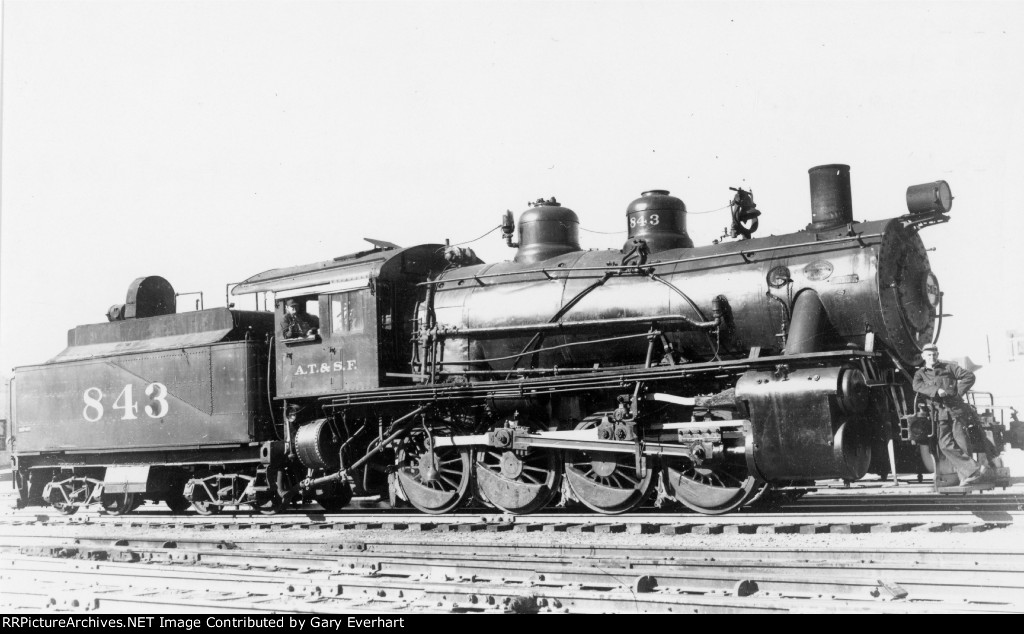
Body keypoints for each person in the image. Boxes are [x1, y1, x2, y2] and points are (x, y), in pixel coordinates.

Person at [912, 343, 990, 486]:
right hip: (939, 412)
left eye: (934, 354)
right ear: (923, 356)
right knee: (945, 445)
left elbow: (969, 376)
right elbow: (917, 386)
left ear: (938, 355)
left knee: (962, 443)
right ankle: (974, 470)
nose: (932, 357)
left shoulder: (949, 367)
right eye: (929, 355)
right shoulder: (920, 374)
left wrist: (957, 393)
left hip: (955, 411)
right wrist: (936, 390)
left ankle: (967, 477)